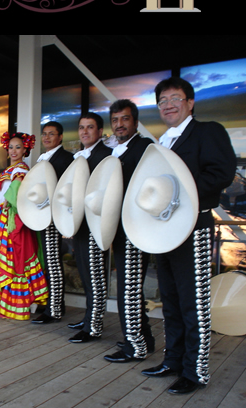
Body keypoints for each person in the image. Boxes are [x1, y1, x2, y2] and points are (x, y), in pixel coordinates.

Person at [141, 77, 236, 395]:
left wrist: (178, 190)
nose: (168, 105)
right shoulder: (162, 142)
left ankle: (195, 372)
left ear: (190, 103)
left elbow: (221, 173)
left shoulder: (208, 131)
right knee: (169, 299)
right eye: (162, 101)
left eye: (174, 98)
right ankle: (174, 360)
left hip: (194, 225)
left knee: (193, 302)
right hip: (164, 230)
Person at [103, 99, 156, 363]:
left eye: (124, 119)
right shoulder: (114, 150)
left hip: (135, 227)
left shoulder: (144, 147)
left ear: (135, 122)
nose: (119, 124)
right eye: (115, 120)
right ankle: (145, 338)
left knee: (128, 289)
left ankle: (134, 347)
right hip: (121, 229)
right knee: (131, 287)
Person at [0, 132, 48, 320]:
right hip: (3, 216)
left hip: (12, 216)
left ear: (25, 149)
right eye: (11, 147)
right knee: (6, 256)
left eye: (18, 147)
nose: (14, 150)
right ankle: (5, 300)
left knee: (15, 255)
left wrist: (6, 207)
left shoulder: (22, 169)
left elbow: (15, 192)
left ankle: (15, 301)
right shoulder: (8, 170)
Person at [67, 113, 113, 342]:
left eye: (90, 127)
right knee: (85, 274)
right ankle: (88, 317)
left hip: (95, 222)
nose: (85, 131)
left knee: (95, 275)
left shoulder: (106, 155)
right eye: (81, 127)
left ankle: (93, 326)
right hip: (81, 224)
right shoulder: (80, 156)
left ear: (100, 131)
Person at [31, 121, 74, 324]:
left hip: (54, 216)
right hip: (43, 215)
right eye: (44, 134)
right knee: (48, 261)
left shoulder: (66, 158)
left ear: (60, 137)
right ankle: (54, 303)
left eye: (51, 134)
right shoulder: (42, 158)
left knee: (54, 262)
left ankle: (54, 309)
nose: (46, 137)